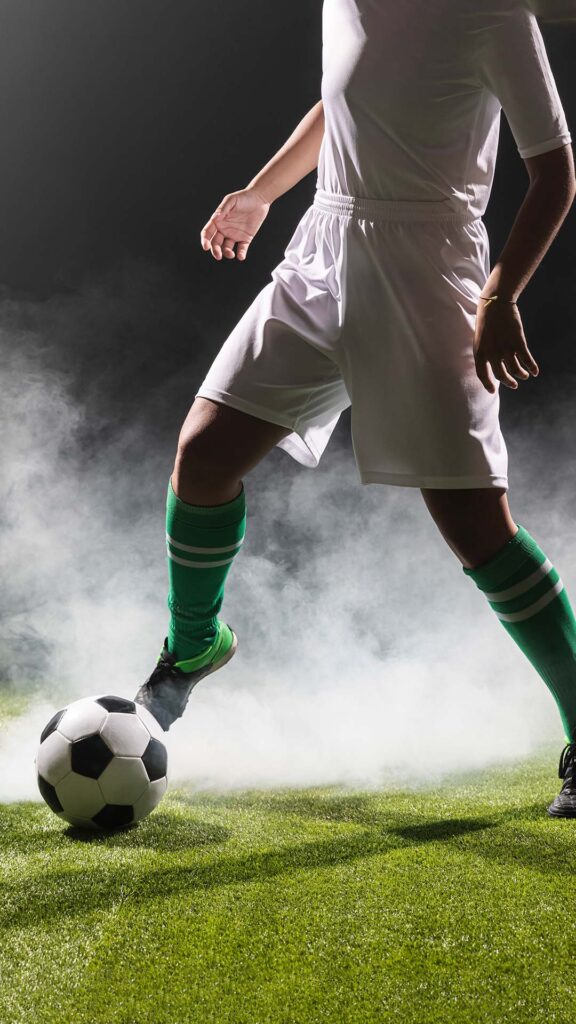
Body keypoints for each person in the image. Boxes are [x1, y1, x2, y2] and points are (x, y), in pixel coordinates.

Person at [134, 0, 576, 817]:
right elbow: (340, 103)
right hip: (323, 254)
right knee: (203, 456)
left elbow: (557, 172)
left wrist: (501, 291)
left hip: (429, 268)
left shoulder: (495, 17)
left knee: (477, 527)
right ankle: (195, 646)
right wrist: (261, 193)